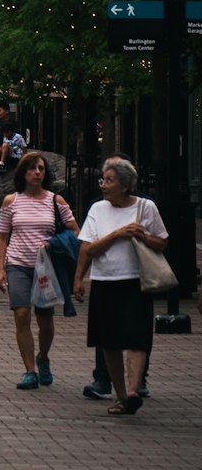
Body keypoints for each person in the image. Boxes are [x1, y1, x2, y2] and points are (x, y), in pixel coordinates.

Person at [73, 156, 168, 416]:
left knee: (138, 339)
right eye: (103, 180)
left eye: (109, 180)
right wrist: (116, 234)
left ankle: (134, 390)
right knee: (110, 342)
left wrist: (143, 236)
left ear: (125, 185)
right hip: (105, 282)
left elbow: (162, 243)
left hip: (136, 282)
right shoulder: (97, 210)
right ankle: (122, 395)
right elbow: (89, 248)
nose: (103, 185)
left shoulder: (146, 207)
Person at [0, 150, 78, 389]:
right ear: (23, 172)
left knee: (45, 321)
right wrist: (0, 269)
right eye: (32, 168)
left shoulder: (56, 201)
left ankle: (43, 357)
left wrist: (53, 243)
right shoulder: (11, 201)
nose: (37, 173)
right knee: (21, 315)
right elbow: (3, 236)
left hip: (46, 268)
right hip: (18, 264)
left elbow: (75, 231)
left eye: (41, 169)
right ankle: (29, 370)